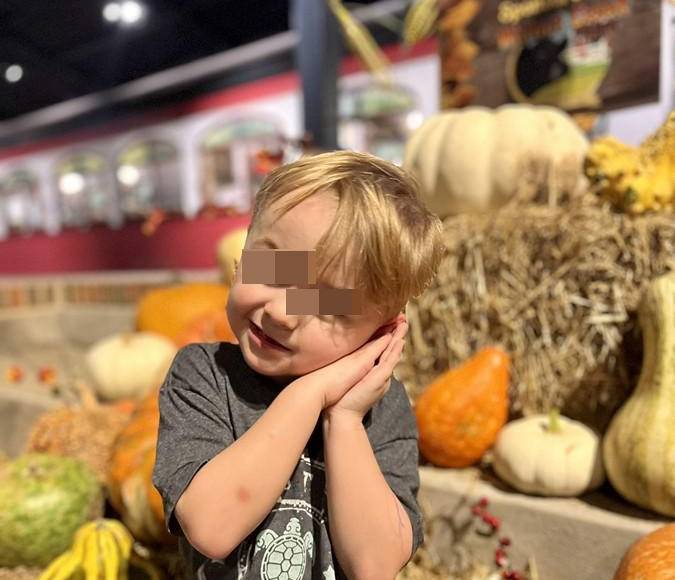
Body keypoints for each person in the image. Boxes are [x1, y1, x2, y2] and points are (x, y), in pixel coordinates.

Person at [152, 150, 445, 579]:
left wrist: (343, 418)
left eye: (328, 307)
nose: (283, 313)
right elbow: (213, 526)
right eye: (272, 268)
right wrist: (310, 395)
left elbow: (375, 565)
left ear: (380, 333)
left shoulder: (382, 408)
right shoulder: (205, 376)